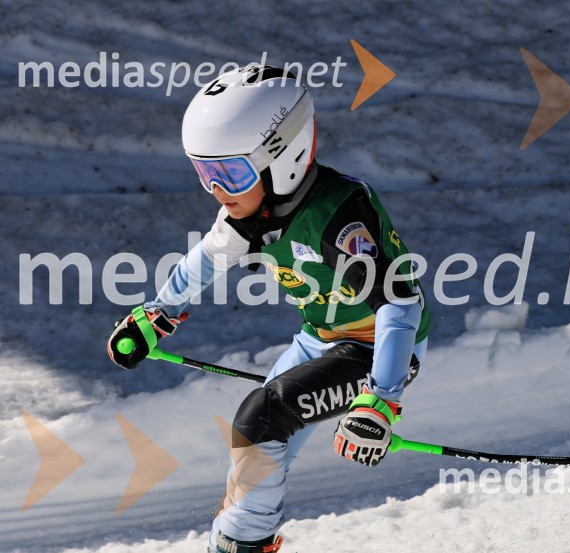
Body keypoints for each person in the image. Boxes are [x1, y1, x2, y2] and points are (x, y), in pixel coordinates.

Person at [106, 65, 430, 553]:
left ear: (284, 158)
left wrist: (381, 397)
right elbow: (206, 261)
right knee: (249, 458)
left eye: (229, 173)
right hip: (320, 339)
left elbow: (399, 306)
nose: (218, 190)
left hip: (381, 350)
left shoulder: (337, 216)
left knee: (262, 418)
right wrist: (158, 313)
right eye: (205, 174)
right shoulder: (252, 212)